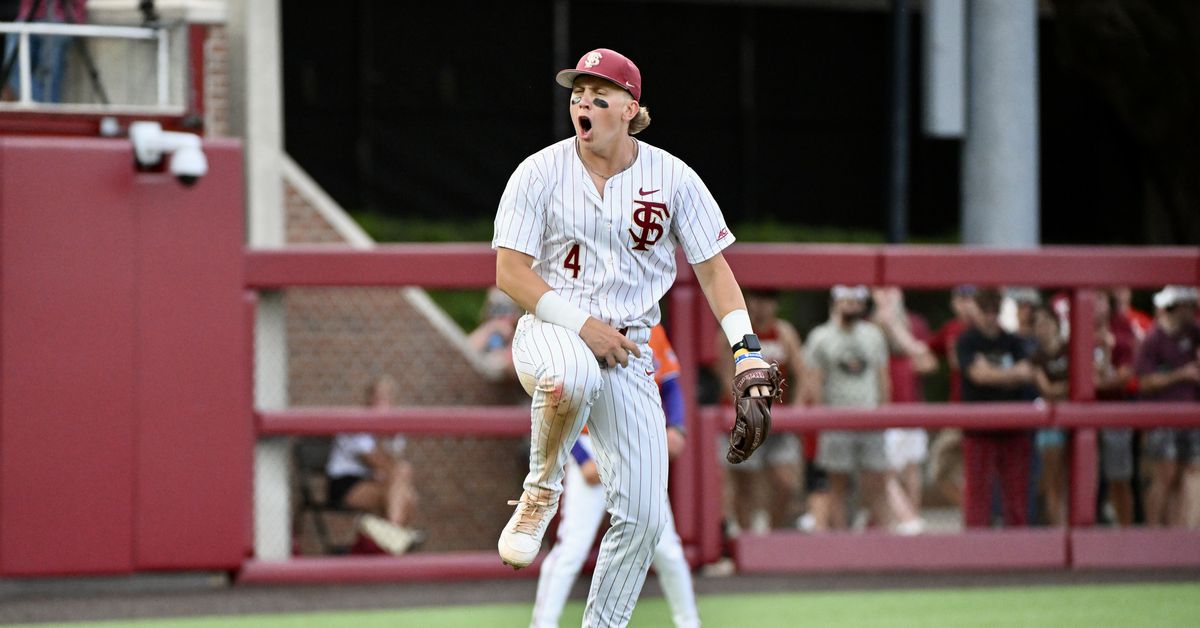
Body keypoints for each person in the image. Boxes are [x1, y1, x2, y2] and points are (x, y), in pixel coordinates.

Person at [491, 48, 776, 626]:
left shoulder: (671, 177)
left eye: (599, 95)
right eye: (577, 94)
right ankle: (540, 491)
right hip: (549, 332)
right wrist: (581, 326)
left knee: (645, 517)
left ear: (630, 109)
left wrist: (747, 348)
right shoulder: (539, 171)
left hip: (628, 353)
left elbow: (715, 270)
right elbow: (510, 272)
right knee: (570, 371)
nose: (583, 103)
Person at [532, 325, 699, 628]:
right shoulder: (579, 322)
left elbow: (671, 383)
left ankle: (690, 623)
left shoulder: (650, 323)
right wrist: (581, 459)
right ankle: (542, 624)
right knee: (573, 547)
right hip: (587, 444)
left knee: (666, 548)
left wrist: (676, 426)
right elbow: (555, 401)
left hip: (636, 446)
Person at [803, 285, 893, 531]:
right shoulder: (820, 337)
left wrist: (885, 413)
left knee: (876, 483)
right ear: (835, 302)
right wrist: (823, 419)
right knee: (836, 485)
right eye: (846, 300)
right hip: (836, 419)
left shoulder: (874, 335)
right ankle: (842, 540)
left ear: (863, 305)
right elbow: (814, 381)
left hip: (870, 416)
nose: (851, 306)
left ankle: (887, 540)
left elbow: (882, 377)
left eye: (856, 301)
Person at [715, 289, 803, 533]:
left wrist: (797, 408)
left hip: (779, 419)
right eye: (757, 298)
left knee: (786, 481)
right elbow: (724, 374)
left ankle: (772, 532)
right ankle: (746, 537)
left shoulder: (783, 332)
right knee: (745, 483)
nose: (762, 305)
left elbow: (802, 372)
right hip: (743, 417)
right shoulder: (730, 334)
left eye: (769, 299)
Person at [957, 288, 1037, 528]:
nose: (990, 316)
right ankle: (976, 545)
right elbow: (977, 375)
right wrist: (1010, 375)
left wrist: (992, 374)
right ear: (976, 310)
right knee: (977, 492)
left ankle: (1017, 545)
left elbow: (1027, 373)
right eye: (985, 310)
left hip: (1013, 427)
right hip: (979, 428)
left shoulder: (1013, 341)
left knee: (1017, 491)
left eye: (995, 310)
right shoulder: (967, 340)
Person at [324, 375, 422, 555]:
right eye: (378, 398)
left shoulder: (393, 428)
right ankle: (392, 541)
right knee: (404, 488)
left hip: (378, 483)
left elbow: (392, 463)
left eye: (387, 398)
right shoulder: (355, 422)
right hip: (346, 484)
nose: (382, 404)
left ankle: (384, 540)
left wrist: (387, 436)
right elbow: (374, 461)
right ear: (368, 399)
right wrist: (381, 438)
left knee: (408, 497)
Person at [872, 286, 935, 534]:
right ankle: (906, 517)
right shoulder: (873, 325)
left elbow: (926, 362)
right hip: (885, 409)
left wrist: (895, 326)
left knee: (912, 468)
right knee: (884, 472)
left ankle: (912, 521)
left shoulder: (915, 324)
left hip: (912, 406)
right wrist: (885, 321)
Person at [1136, 286, 1200, 528]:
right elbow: (1145, 382)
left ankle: (1182, 534)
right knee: (1165, 476)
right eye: (1189, 305)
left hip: (1192, 415)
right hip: (1162, 415)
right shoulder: (1154, 338)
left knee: (1192, 474)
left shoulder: (1194, 333)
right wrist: (1181, 375)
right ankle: (1154, 534)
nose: (1193, 310)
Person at [925, 285, 978, 508]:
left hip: (982, 410)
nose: (964, 304)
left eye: (969, 298)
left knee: (980, 471)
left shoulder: (989, 329)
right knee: (939, 470)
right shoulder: (951, 329)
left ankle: (980, 515)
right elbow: (924, 356)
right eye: (960, 298)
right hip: (957, 410)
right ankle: (971, 509)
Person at [1, 0, 86, 103]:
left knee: (49, 71)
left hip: (63, 16)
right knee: (12, 69)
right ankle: (42, 105)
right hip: (28, 14)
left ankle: (45, 106)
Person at [1030, 305, 1069, 526]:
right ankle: (1058, 527)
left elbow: (1084, 381)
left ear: (1057, 324)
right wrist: (1066, 387)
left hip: (1073, 420)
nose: (1043, 328)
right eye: (1038, 324)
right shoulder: (1036, 356)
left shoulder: (1070, 349)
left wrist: (1060, 389)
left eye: (1047, 323)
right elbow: (1047, 390)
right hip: (1049, 422)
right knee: (1052, 478)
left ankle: (1077, 528)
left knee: (1074, 477)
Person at [467, 286, 523, 382]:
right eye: (495, 309)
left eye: (507, 309)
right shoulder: (485, 332)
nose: (501, 314)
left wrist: (504, 360)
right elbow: (466, 350)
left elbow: (519, 370)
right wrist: (490, 328)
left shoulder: (521, 336)